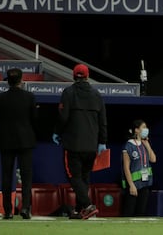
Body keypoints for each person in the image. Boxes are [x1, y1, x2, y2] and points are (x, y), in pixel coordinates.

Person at [0, 68, 38, 220]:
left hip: (6, 142)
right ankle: (25, 208)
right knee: (26, 176)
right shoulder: (29, 97)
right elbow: (35, 119)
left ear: (7, 81)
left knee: (7, 176)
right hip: (25, 141)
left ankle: (8, 211)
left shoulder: (0, 98)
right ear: (21, 80)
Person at [52, 63, 107, 220]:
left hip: (73, 144)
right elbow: (103, 121)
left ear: (73, 76)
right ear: (88, 76)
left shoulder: (68, 93)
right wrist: (102, 141)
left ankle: (88, 206)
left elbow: (63, 117)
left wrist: (57, 132)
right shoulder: (97, 95)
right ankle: (79, 210)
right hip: (91, 146)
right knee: (84, 178)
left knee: (74, 177)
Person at [122, 119, 156, 217]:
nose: (146, 129)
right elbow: (126, 168)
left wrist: (148, 145)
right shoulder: (128, 146)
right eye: (143, 127)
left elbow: (153, 159)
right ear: (136, 130)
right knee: (129, 211)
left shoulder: (145, 144)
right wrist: (131, 185)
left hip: (145, 184)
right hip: (133, 185)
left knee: (141, 213)